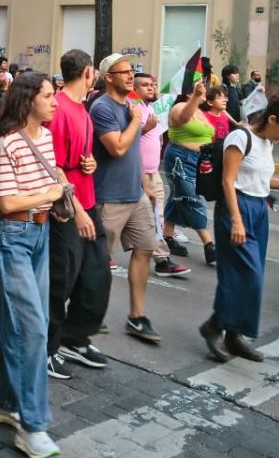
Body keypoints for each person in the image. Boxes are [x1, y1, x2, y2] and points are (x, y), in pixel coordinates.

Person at [0, 71, 66, 458]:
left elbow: (48, 187)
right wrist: (51, 191)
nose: (54, 101)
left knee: (20, 324)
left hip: (41, 233)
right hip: (12, 239)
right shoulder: (6, 141)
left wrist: (58, 197)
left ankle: (0, 402)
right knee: (32, 329)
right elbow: (7, 202)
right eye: (48, 95)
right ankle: (32, 426)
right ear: (28, 99)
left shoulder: (46, 138)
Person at [200, 91, 279, 362]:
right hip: (237, 208)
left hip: (259, 209)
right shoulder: (241, 138)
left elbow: (263, 180)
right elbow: (229, 180)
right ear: (272, 119)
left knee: (254, 276)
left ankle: (234, 334)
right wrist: (236, 219)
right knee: (243, 276)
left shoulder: (266, 143)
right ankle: (215, 326)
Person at [91, 54, 170, 346]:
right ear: (108, 77)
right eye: (123, 72)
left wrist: (145, 184)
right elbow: (118, 149)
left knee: (146, 249)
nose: (129, 76)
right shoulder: (102, 108)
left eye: (131, 71)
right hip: (109, 197)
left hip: (135, 195)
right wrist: (137, 121)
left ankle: (137, 316)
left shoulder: (130, 106)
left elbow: (135, 152)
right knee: (97, 260)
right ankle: (90, 312)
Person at [45, 50, 111, 380]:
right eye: (95, 71)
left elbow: (80, 155)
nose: (96, 76)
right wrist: (77, 211)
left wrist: (91, 163)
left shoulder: (82, 109)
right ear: (87, 72)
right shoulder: (57, 108)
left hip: (87, 198)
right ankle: (46, 347)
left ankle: (75, 337)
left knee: (96, 272)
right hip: (67, 207)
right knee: (62, 278)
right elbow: (52, 163)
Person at [134, 73, 189, 278]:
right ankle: (101, 252)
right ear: (135, 89)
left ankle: (162, 260)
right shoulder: (133, 109)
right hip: (134, 174)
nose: (152, 88)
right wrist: (144, 129)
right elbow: (123, 140)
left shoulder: (152, 108)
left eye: (153, 85)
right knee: (118, 219)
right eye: (146, 85)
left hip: (153, 173)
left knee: (157, 216)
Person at [164, 79, 218, 266]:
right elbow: (182, 119)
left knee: (178, 197)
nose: (204, 95)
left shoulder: (200, 112)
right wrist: (195, 96)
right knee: (192, 198)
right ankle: (209, 244)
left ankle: (167, 236)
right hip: (180, 159)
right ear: (190, 92)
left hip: (199, 161)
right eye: (201, 91)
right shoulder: (180, 107)